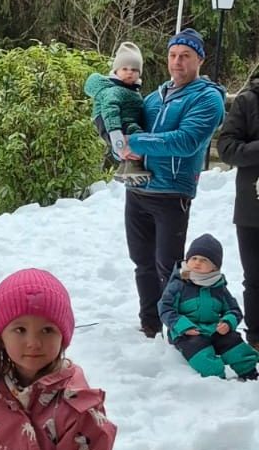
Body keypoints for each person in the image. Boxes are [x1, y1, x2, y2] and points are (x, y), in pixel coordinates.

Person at [119, 29, 226, 337]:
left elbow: (185, 141)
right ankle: (150, 323)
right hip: (137, 188)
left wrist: (135, 142)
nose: (177, 62)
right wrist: (119, 142)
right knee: (142, 262)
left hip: (171, 192)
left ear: (200, 60)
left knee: (168, 265)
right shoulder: (154, 98)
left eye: (185, 56)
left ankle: (176, 326)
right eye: (173, 55)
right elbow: (128, 131)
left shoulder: (207, 98)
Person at [0, 269, 117, 450]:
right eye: (20, 330)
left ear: (63, 336)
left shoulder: (79, 412)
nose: (34, 343)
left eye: (47, 330)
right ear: (1, 337)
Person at [159, 234, 259, 380]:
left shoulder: (219, 287)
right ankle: (216, 379)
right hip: (186, 333)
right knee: (200, 353)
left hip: (213, 329)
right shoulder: (179, 284)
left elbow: (234, 310)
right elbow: (165, 308)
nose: (197, 262)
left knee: (235, 344)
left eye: (204, 260)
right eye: (194, 258)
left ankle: (249, 373)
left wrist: (227, 322)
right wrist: (183, 326)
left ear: (214, 267)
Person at [215, 66, 259, 347]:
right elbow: (226, 147)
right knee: (255, 278)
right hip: (252, 208)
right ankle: (256, 338)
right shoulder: (247, 101)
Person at [83, 41, 149, 185]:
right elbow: (110, 110)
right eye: (125, 68)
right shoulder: (114, 90)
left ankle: (123, 168)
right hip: (113, 124)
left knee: (133, 132)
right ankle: (133, 167)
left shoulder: (130, 90)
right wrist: (116, 135)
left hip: (121, 122)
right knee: (136, 136)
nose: (129, 72)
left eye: (134, 69)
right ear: (116, 71)